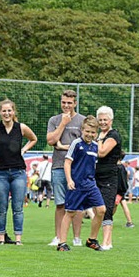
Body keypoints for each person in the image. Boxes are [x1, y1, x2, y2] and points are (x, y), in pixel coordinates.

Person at [0, 99, 37, 245]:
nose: (7, 113)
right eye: (4, 111)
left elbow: (33, 139)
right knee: (1, 207)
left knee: (18, 207)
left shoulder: (21, 127)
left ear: (14, 112)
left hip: (18, 172)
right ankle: (1, 238)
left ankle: (18, 239)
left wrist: (24, 150)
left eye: (9, 110)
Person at [57, 116, 105, 252]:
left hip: (90, 185)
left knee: (101, 210)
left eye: (93, 132)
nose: (90, 134)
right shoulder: (76, 144)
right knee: (70, 212)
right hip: (76, 184)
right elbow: (67, 162)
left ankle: (92, 240)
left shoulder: (96, 146)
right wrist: (69, 180)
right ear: (82, 130)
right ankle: (62, 243)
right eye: (87, 131)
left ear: (96, 133)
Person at [47, 90, 85, 246]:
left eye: (70, 103)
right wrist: (63, 123)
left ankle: (77, 238)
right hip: (58, 166)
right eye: (64, 102)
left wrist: (62, 146)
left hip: (78, 168)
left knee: (77, 204)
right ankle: (58, 237)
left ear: (75, 103)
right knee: (60, 204)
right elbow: (51, 140)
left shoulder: (83, 120)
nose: (66, 105)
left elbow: (84, 143)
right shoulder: (54, 120)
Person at [94, 106, 122, 251]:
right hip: (96, 176)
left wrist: (98, 139)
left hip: (109, 177)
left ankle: (106, 242)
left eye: (105, 119)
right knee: (98, 209)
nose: (103, 122)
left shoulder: (113, 135)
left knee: (106, 208)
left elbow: (102, 152)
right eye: (100, 120)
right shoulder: (99, 135)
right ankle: (104, 240)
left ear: (111, 120)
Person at [114, 155, 134, 228]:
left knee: (116, 204)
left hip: (117, 189)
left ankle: (107, 219)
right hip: (123, 188)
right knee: (120, 203)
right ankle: (129, 222)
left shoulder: (116, 167)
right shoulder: (122, 167)